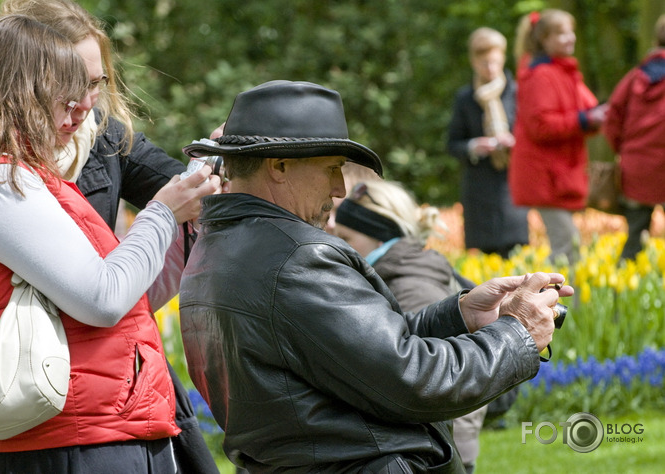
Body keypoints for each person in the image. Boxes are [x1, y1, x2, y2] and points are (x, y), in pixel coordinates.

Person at [179, 79, 572, 472]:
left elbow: (350, 358)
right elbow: (414, 381)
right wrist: (517, 331)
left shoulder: (217, 245)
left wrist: (461, 315)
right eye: (332, 169)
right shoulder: (295, 257)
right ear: (279, 166)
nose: (339, 189)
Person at [0, 14, 218, 473]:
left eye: (92, 88)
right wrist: (163, 213)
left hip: (100, 429)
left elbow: (129, 297)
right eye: (68, 95)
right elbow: (101, 299)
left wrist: (193, 214)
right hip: (65, 442)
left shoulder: (33, 177)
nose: (84, 111)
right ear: (16, 93)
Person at [333, 179, 486, 473]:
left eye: (347, 237)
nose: (337, 244)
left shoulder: (412, 287)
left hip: (433, 450)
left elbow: (426, 372)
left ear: (380, 238)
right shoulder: (392, 274)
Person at [509, 9, 608, 264]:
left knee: (568, 245)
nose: (571, 38)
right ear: (544, 39)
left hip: (560, 174)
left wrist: (596, 116)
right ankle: (552, 303)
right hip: (545, 175)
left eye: (571, 31)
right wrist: (586, 119)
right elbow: (540, 126)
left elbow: (587, 110)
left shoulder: (565, 72)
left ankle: (557, 303)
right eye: (562, 33)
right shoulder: (540, 75)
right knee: (567, 246)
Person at [447, 27, 529, 259]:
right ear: (473, 62)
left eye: (494, 62)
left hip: (512, 183)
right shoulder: (465, 98)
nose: (490, 68)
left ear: (503, 57)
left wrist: (514, 141)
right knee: (486, 262)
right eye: (484, 63)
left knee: (515, 253)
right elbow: (452, 144)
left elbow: (533, 134)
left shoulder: (518, 92)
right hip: (479, 188)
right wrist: (474, 146)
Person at [602, 14, 665, 261]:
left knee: (636, 234)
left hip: (637, 168)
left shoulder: (635, 76)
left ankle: (624, 292)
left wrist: (624, 149)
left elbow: (611, 117)